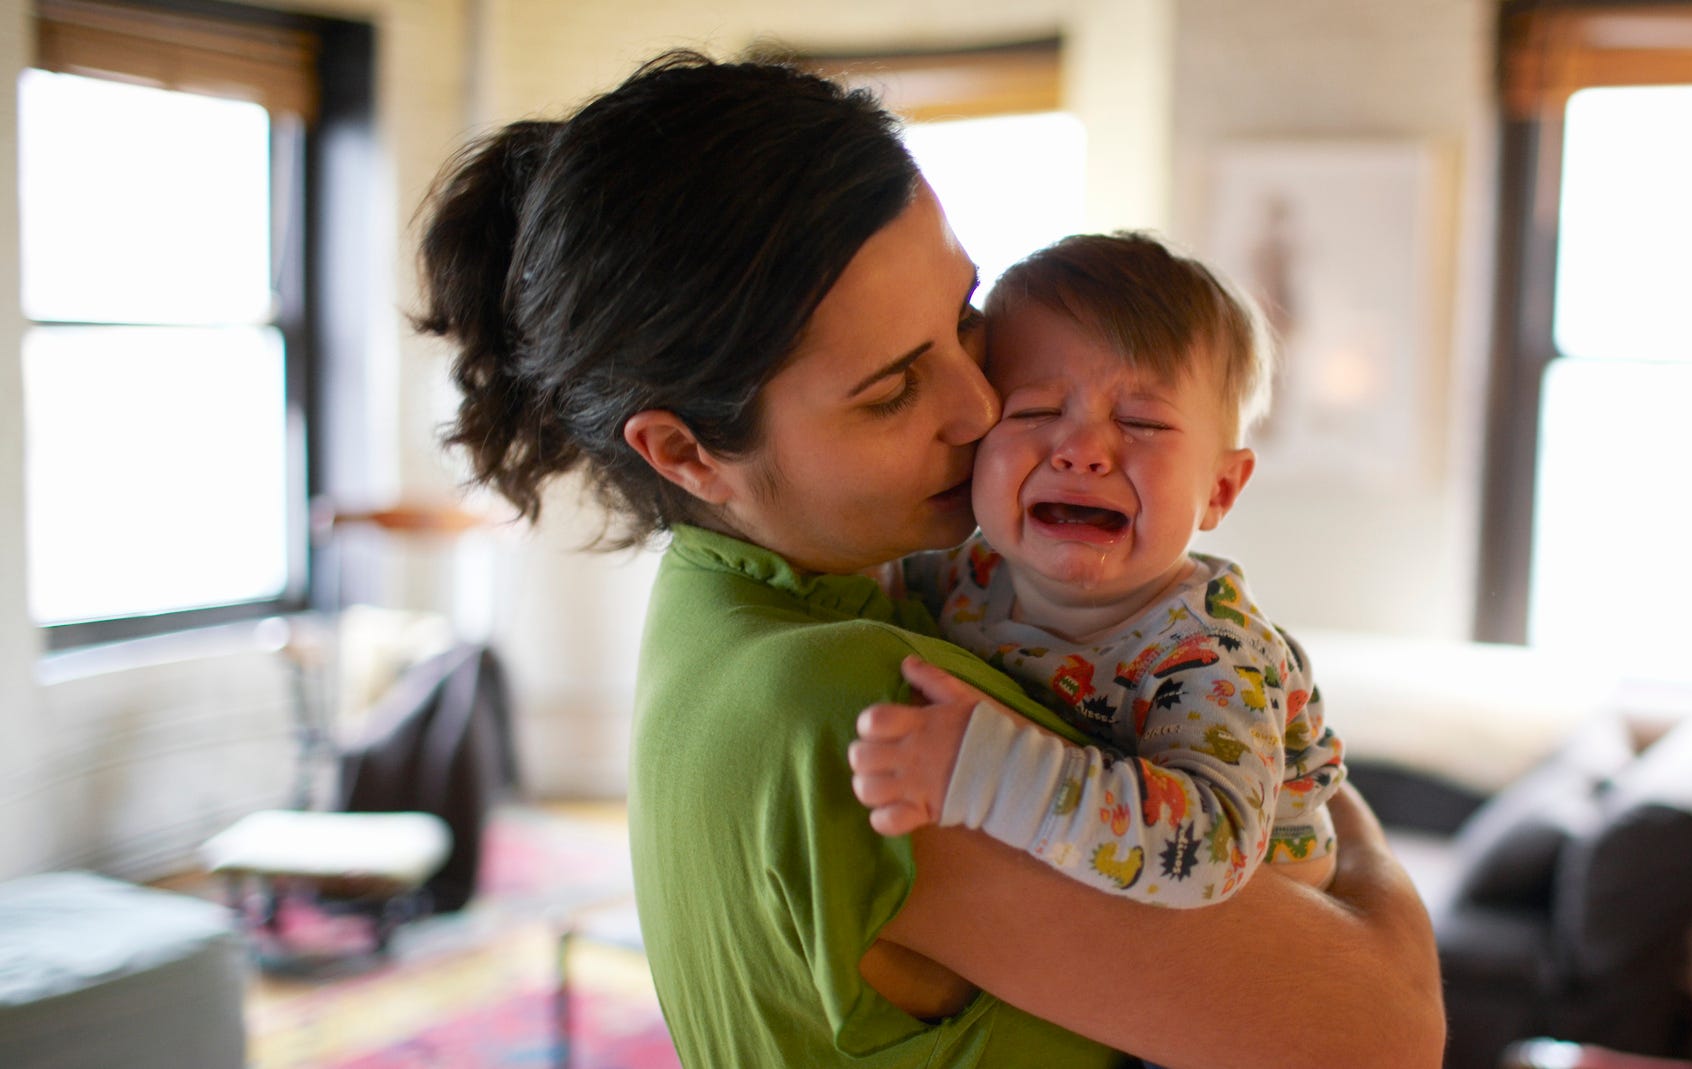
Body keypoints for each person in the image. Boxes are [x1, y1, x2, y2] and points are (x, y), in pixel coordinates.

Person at [416, 49, 1443, 1069]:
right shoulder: (873, 713)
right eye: (893, 390)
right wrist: (1355, 835)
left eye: (964, 322)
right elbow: (1383, 1034)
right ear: (686, 451)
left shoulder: (737, 603)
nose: (983, 404)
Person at [849, 233, 1344, 909]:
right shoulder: (965, 573)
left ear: (1221, 490)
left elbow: (1211, 848)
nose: (1081, 450)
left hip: (1246, 944)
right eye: (1036, 412)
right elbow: (852, 583)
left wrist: (991, 774)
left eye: (1141, 421)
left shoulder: (1210, 653)